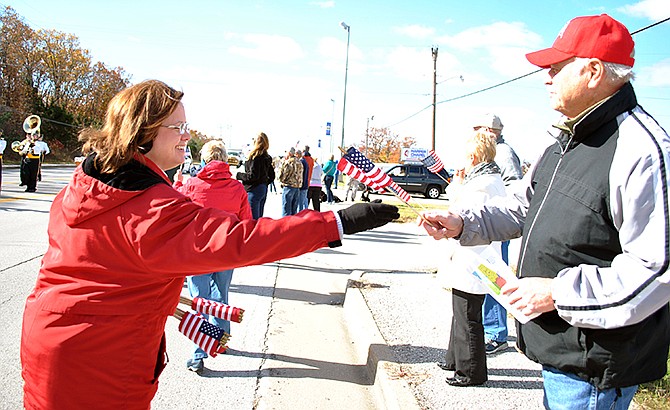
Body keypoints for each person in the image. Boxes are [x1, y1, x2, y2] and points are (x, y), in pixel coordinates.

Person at [19, 79, 400, 409]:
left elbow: (107, 274)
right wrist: (339, 220)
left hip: (51, 338)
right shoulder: (151, 208)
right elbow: (244, 240)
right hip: (98, 359)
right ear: (144, 131)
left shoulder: (86, 183)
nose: (187, 134)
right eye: (178, 126)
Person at [419, 14, 670, 409]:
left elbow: (656, 270)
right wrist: (464, 223)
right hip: (559, 350)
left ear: (592, 71)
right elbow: (523, 206)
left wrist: (557, 292)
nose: (545, 78)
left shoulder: (642, 150)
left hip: (596, 365)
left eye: (555, 68)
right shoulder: (562, 143)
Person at [174, 140, 251, 373]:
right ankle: (220, 340)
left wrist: (177, 182)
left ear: (205, 160)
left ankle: (199, 354)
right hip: (226, 253)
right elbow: (246, 221)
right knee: (221, 297)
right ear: (225, 160)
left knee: (200, 302)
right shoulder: (237, 188)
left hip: (197, 253)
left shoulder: (191, 185)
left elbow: (174, 208)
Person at [435, 130, 506, 387]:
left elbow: (462, 212)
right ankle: (454, 359)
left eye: (465, 156)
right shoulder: (484, 180)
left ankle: (471, 371)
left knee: (467, 314)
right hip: (471, 253)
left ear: (474, 156)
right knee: (461, 311)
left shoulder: (483, 185)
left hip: (475, 257)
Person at [471, 113, 524, 355]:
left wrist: (499, 212)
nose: (474, 132)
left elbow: (515, 185)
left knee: (494, 277)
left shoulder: (503, 153)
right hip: (483, 224)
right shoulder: (490, 152)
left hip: (496, 224)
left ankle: (496, 334)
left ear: (491, 130)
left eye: (478, 128)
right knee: (482, 276)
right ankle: (488, 328)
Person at [236, 132, 274, 219]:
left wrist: (239, 175)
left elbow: (252, 176)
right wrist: (264, 182)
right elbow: (272, 176)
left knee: (252, 219)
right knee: (259, 217)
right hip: (262, 188)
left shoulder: (255, 157)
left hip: (253, 189)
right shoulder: (267, 157)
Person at [279, 147, 303, 216]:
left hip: (288, 186)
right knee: (294, 210)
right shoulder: (299, 162)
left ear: (289, 153)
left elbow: (282, 174)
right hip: (297, 187)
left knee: (286, 210)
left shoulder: (289, 162)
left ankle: (285, 226)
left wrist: (281, 181)